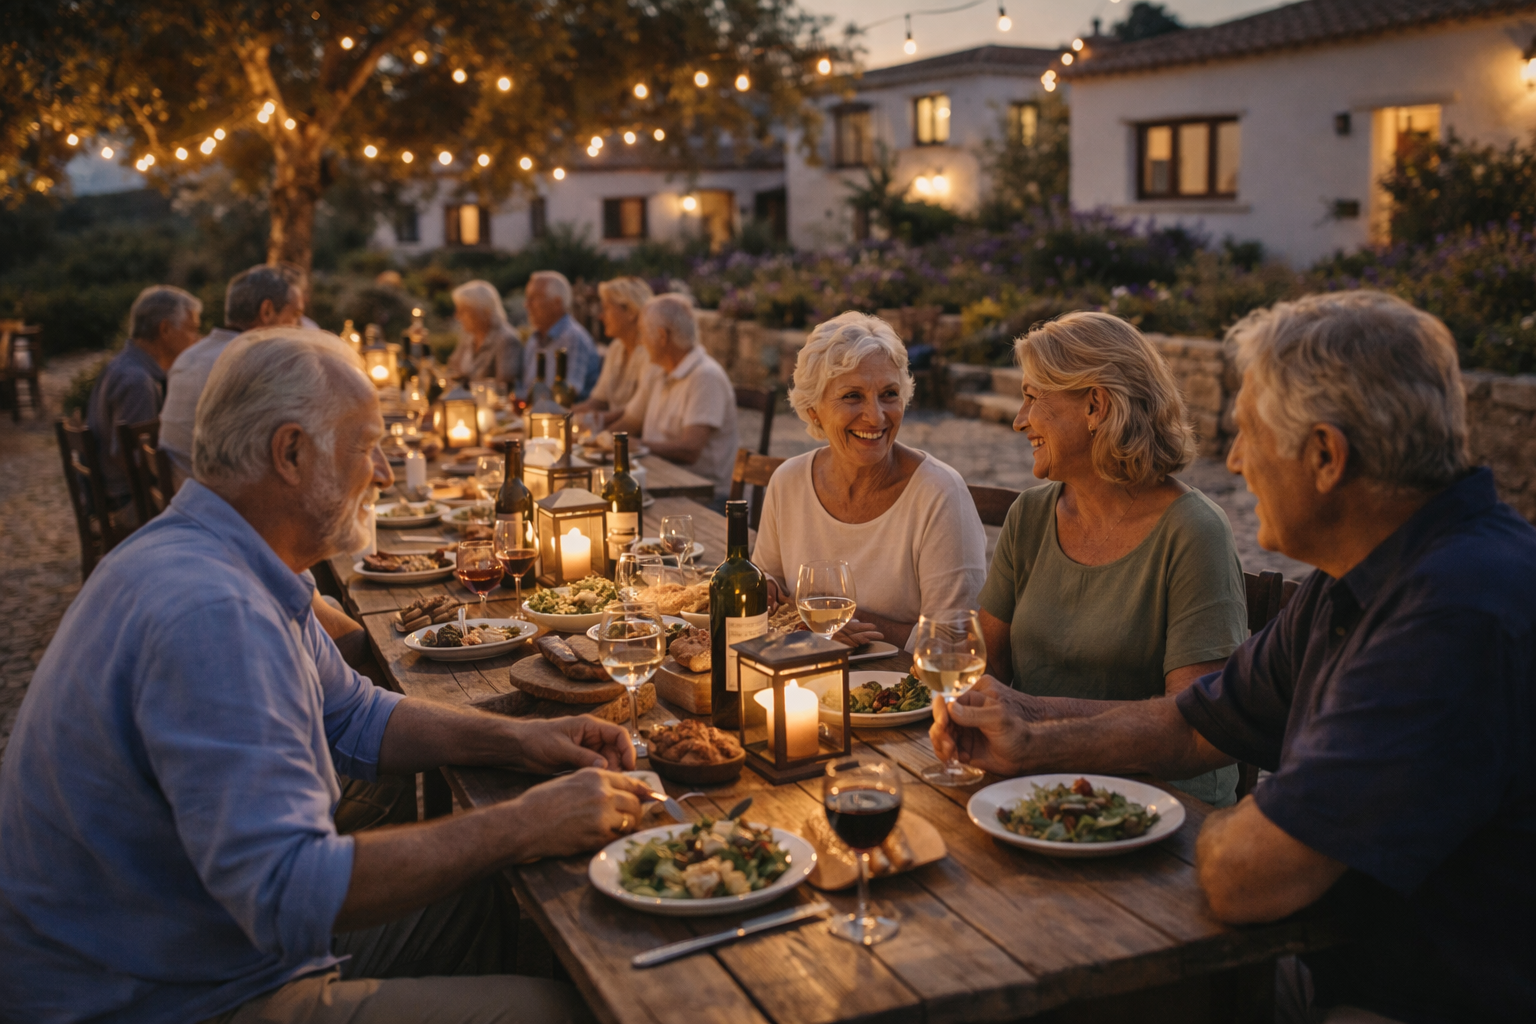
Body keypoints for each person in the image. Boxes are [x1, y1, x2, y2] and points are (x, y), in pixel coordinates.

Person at [0, 328, 651, 1023]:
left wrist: (520, 742)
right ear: (290, 452)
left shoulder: (225, 555)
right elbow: (289, 890)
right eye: (366, 446)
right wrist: (522, 823)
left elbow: (356, 715)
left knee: (493, 895)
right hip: (160, 997)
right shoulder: (215, 613)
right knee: (553, 1010)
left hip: (194, 947)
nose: (383, 472)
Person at [930, 291, 1536, 1024]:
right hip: (1325, 958)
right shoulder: (1354, 582)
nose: (1236, 461)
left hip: (1405, 1000)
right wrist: (1031, 741)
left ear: (1324, 455)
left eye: (1247, 435)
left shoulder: (1452, 614)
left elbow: (1245, 878)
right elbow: (1193, 726)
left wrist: (1228, 828)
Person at [975, 311, 1247, 806]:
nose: (1019, 420)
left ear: (1095, 405)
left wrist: (1035, 716)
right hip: (1038, 792)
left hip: (1162, 809)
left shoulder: (1194, 531)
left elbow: (1196, 721)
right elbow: (985, 664)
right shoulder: (1031, 515)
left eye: (1033, 398)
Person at [753, 311, 987, 651]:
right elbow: (769, 586)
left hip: (902, 695)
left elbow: (954, 645)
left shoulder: (939, 494)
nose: (876, 416)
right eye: (852, 396)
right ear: (813, 408)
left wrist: (833, 622)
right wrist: (778, 600)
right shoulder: (787, 482)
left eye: (889, 394)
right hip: (801, 680)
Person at [160, 263, 305, 479]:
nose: (298, 327)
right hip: (218, 501)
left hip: (179, 490)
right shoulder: (252, 362)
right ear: (266, 311)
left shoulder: (189, 356)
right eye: (295, 315)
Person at [86, 284, 203, 522]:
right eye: (192, 330)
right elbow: (129, 458)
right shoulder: (138, 382)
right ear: (165, 330)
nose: (197, 340)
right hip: (128, 504)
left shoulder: (119, 365)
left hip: (111, 493)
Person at [609, 294, 739, 498]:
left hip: (701, 496)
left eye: (643, 334)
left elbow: (690, 450)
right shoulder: (658, 370)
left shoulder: (705, 377)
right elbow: (630, 421)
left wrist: (638, 446)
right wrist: (597, 440)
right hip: (662, 483)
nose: (641, 342)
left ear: (662, 337)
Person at [572, 275, 653, 423]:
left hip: (632, 437)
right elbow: (598, 401)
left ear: (631, 312)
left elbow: (639, 410)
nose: (600, 316)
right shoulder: (616, 347)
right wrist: (563, 416)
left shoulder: (651, 353)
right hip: (610, 430)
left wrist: (590, 422)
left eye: (606, 309)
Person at [520, 270, 599, 399]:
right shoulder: (534, 339)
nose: (526, 305)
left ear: (557, 303)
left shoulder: (573, 338)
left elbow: (568, 393)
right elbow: (527, 389)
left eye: (533, 298)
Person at [445, 279, 522, 386]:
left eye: (463, 310)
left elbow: (505, 386)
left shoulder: (506, 340)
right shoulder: (468, 337)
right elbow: (451, 371)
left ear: (484, 311)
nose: (457, 316)